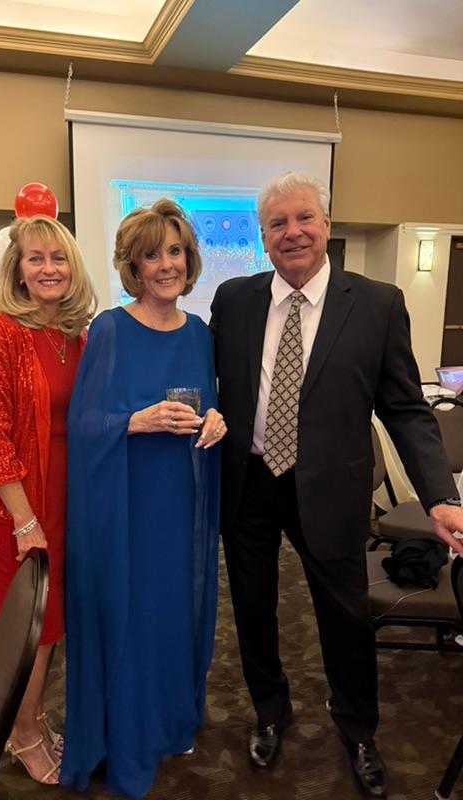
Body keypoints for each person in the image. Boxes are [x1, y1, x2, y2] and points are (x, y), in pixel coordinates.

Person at [210, 171, 463, 799]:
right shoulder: (233, 301)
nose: (292, 232)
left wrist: (440, 497)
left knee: (345, 617)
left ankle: (357, 729)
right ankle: (270, 712)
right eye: (277, 223)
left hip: (331, 490)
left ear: (326, 223)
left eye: (304, 218)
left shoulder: (377, 304)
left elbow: (405, 408)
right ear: (262, 236)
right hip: (248, 484)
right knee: (252, 610)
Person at [60, 199, 226, 799]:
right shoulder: (110, 328)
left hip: (180, 502)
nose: (166, 265)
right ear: (133, 266)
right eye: (152, 255)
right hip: (127, 505)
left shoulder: (200, 333)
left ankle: (169, 719)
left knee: (173, 612)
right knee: (132, 616)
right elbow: (84, 424)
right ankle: (129, 732)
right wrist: (136, 421)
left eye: (175, 251)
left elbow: (206, 406)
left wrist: (216, 421)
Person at [0, 214, 96, 785]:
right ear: (16, 270)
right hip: (17, 505)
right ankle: (21, 736)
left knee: (54, 624)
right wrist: (24, 521)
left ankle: (35, 719)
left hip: (68, 499)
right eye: (35, 258)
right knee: (32, 630)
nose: (49, 268)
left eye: (58, 257)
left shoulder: (75, 334)